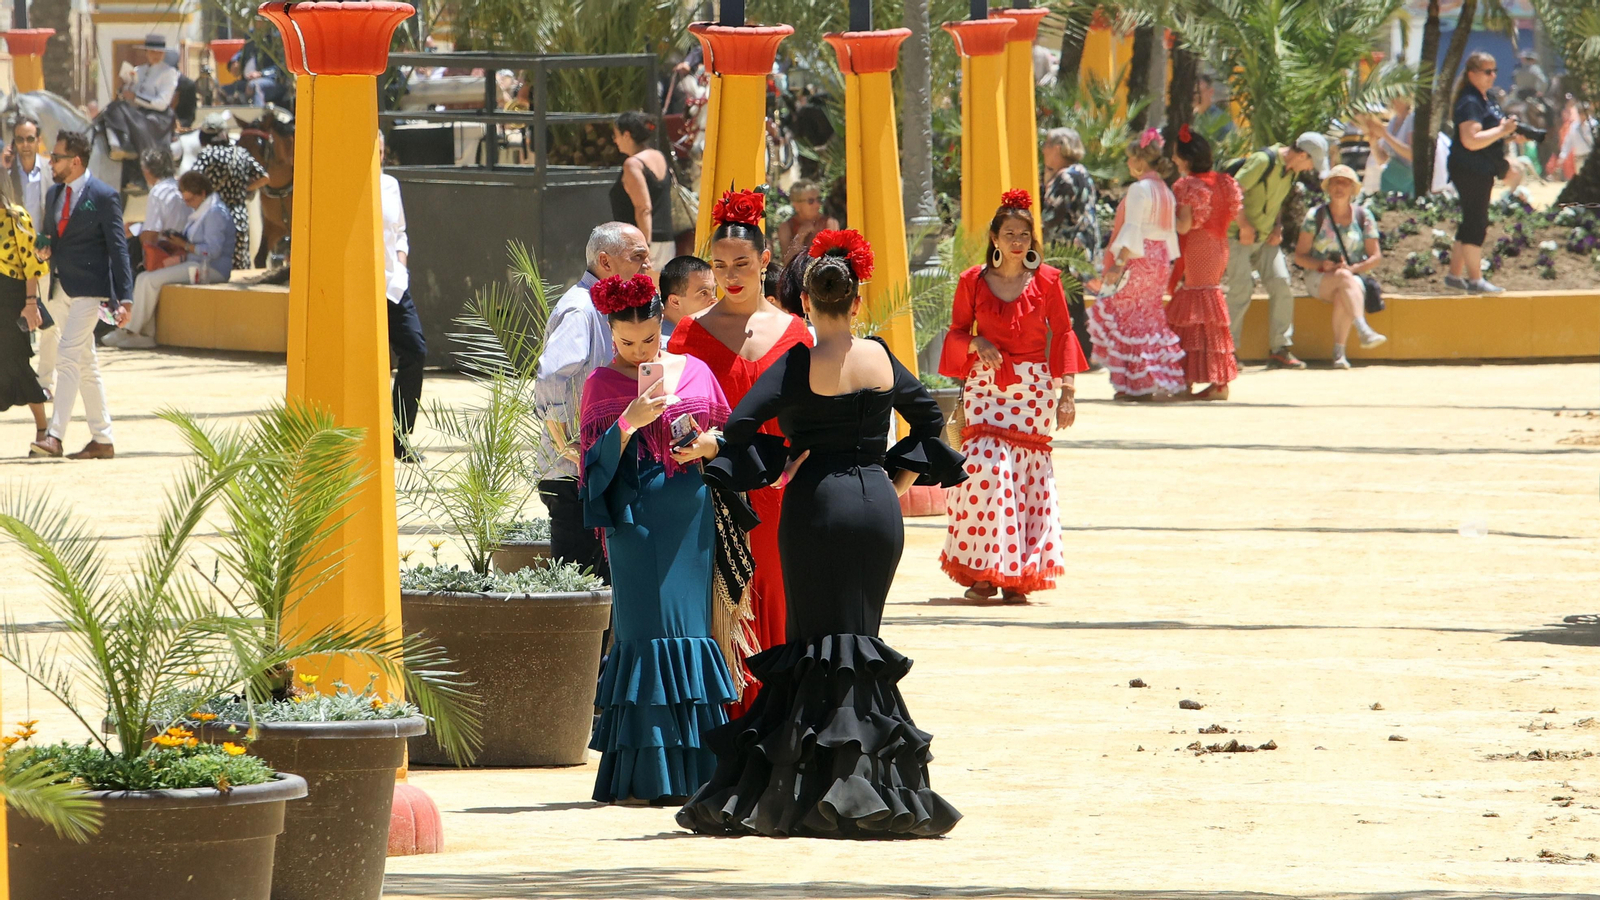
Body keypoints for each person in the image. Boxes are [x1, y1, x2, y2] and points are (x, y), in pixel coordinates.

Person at [674, 229, 965, 839]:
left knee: (814, 644)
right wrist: (896, 476)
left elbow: (742, 426)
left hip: (814, 508)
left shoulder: (797, 363)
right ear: (855, 301)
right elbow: (932, 417)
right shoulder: (881, 355)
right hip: (876, 510)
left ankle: (810, 790)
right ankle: (875, 792)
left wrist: (778, 472)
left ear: (805, 303)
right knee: (862, 642)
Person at [579, 273, 737, 805]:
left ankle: (696, 773)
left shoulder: (695, 370)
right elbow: (589, 474)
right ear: (611, 332)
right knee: (643, 633)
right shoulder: (600, 385)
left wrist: (708, 444)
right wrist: (626, 423)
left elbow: (729, 440)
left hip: (689, 516)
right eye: (626, 342)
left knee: (691, 630)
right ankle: (649, 776)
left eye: (649, 338)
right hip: (633, 521)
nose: (640, 350)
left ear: (661, 322)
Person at [666, 188, 812, 707]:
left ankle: (772, 720)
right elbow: (672, 415)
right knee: (711, 600)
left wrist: (790, 472)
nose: (732, 275)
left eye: (743, 263)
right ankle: (717, 727)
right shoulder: (689, 333)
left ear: (765, 261)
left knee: (770, 595)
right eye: (721, 264)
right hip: (705, 494)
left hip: (774, 497)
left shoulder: (796, 334)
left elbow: (810, 424)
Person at [938, 189, 1087, 603]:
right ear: (995, 237)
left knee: (1024, 480)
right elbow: (955, 334)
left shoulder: (1049, 281)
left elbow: (1065, 335)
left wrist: (1068, 393)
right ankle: (984, 571)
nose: (1017, 241)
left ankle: (1016, 577)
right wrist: (975, 344)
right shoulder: (971, 281)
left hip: (1033, 391)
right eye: (1009, 233)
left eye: (1024, 233)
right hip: (986, 388)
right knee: (985, 470)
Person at [534, 222, 654, 583]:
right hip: (574, 478)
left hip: (598, 470)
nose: (647, 266)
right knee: (581, 587)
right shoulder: (582, 311)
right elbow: (550, 376)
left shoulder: (609, 312)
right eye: (638, 257)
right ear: (605, 260)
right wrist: (565, 445)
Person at [29, 131, 133, 460]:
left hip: (91, 291)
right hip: (60, 288)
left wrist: (126, 296)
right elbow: (50, 237)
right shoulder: (55, 192)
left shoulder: (104, 196)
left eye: (57, 157)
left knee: (68, 357)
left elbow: (119, 249)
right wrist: (44, 247)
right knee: (86, 364)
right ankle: (102, 438)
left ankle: (55, 436)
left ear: (75, 161)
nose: (51, 162)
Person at [1090, 131, 1186, 402]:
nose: (1128, 164)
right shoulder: (1166, 191)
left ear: (1141, 162)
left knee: (1127, 317)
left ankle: (1131, 384)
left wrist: (1118, 263)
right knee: (1148, 319)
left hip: (1137, 258)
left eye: (1131, 159)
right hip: (1158, 261)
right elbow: (1169, 234)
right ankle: (1144, 381)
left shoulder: (1139, 189)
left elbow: (1132, 228)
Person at [1223, 132, 1328, 369]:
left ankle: (1280, 348)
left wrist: (1277, 226)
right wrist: (1243, 225)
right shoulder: (1263, 161)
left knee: (1281, 282)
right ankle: (1227, 351)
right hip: (1236, 236)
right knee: (1241, 289)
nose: (1310, 168)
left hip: (1265, 238)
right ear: (1302, 155)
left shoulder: (1291, 171)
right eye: (1311, 162)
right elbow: (1231, 191)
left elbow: (1278, 200)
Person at [106, 170, 234, 350]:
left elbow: (213, 251)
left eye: (191, 200)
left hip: (211, 268)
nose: (188, 205)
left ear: (203, 194)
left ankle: (130, 330)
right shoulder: (201, 211)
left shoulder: (214, 213)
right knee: (145, 277)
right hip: (193, 263)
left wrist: (186, 245)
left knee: (150, 280)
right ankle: (143, 334)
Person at [1167, 125, 1242, 400]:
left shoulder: (1187, 185)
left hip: (1198, 247)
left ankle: (1196, 378)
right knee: (1207, 308)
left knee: (1195, 309)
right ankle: (1215, 380)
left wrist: (1159, 219)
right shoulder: (1224, 181)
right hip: (1219, 247)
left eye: (1176, 155)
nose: (1174, 159)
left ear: (1186, 159)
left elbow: (1184, 227)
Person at [1293, 165, 1388, 369]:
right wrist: (1322, 264)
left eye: (1345, 183)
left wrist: (1353, 268)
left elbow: (1376, 256)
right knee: (1345, 280)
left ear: (1353, 190)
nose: (1339, 187)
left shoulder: (1364, 217)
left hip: (1352, 279)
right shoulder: (1315, 216)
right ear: (1328, 188)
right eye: (1335, 182)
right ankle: (1362, 329)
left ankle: (1339, 353)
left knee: (1344, 289)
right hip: (1319, 279)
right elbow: (1300, 256)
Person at [1446, 52, 1518, 295]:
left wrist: (1507, 132)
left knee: (1471, 219)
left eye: (1494, 71)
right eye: (1487, 71)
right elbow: (1471, 140)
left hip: (1479, 168)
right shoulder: (1470, 101)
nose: (1493, 76)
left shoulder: (1484, 98)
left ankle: (1455, 275)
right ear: (1472, 74)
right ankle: (1476, 280)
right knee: (1477, 222)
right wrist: (1500, 131)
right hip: (1470, 168)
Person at [379, 141, 426, 462]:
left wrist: (401, 263)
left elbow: (400, 232)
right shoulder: (346, 188)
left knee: (415, 350)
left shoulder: (390, 185)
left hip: (394, 286)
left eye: (381, 151)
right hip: (361, 289)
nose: (378, 156)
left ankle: (400, 437)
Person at [1039, 126, 1099, 360]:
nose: (1043, 150)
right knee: (1074, 300)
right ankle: (1082, 352)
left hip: (1067, 249)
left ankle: (1079, 354)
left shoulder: (1065, 177)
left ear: (1058, 147)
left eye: (1046, 145)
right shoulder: (1081, 172)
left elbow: (1053, 216)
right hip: (1082, 245)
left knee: (1069, 302)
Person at [0, 182, 51, 453]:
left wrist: (31, 303)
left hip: (10, 298)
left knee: (17, 363)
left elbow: (31, 264)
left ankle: (44, 428)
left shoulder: (16, 217)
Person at [191, 112, 269, 272]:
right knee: (240, 269)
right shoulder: (241, 153)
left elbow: (193, 179)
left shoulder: (206, 155)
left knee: (214, 269)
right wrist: (245, 188)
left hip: (214, 219)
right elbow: (264, 177)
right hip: (239, 218)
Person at [610, 111, 675, 273]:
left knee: (643, 296)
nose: (615, 140)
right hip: (666, 241)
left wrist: (643, 249)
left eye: (616, 135)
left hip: (644, 243)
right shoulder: (658, 156)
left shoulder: (632, 165)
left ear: (626, 135)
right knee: (661, 295)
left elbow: (643, 208)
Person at [135, 149, 187, 273]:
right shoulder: (181, 187)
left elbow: (150, 235)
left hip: (170, 253)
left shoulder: (158, 192)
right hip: (188, 251)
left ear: (146, 171)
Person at [775, 180, 837, 266]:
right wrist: (800, 236)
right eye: (811, 201)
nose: (817, 205)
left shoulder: (830, 223)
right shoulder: (786, 227)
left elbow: (833, 258)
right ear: (796, 205)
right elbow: (787, 263)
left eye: (818, 200)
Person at [4, 117, 50, 229]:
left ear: (38, 140)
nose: (25, 145)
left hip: (44, 244)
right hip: (16, 243)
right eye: (20, 140)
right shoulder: (7, 172)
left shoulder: (51, 170)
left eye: (30, 139)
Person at [658, 254, 715, 341]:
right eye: (703, 293)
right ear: (675, 301)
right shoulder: (665, 345)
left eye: (713, 291)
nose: (714, 301)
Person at [1375, 96, 1415, 197]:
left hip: (1408, 182)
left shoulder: (1413, 119)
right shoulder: (1393, 121)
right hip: (1390, 180)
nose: (1393, 99)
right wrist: (1372, 140)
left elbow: (1412, 154)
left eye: (1397, 95)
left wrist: (1385, 135)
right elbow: (1383, 159)